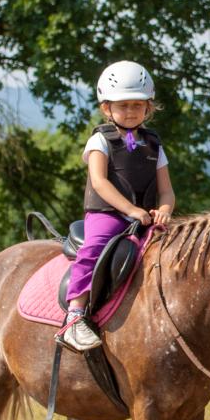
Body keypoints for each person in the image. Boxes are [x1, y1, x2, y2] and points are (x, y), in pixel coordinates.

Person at [58, 60, 175, 352]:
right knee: (94, 248)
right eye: (123, 105)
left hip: (146, 219)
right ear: (106, 108)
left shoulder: (154, 145)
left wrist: (165, 210)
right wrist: (131, 210)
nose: (131, 111)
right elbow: (99, 182)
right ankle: (75, 314)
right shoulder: (100, 141)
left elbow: (166, 191)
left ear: (148, 107)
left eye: (137, 105)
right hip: (108, 215)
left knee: (182, 252)